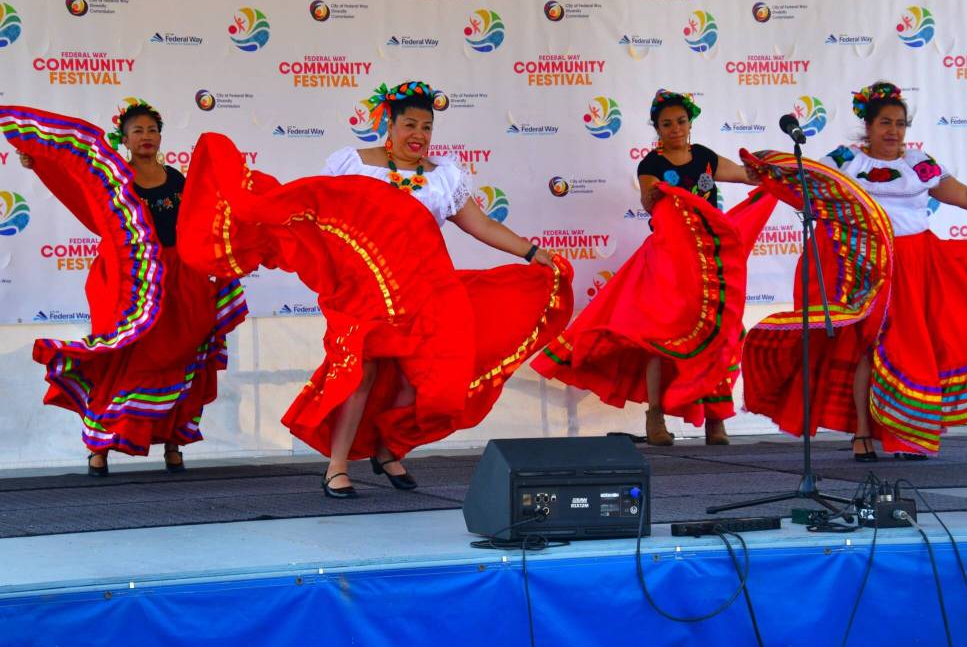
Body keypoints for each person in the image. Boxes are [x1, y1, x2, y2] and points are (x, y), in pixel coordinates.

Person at [176, 81, 573, 497]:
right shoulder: (354, 165)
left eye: (427, 127)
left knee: (412, 376)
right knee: (359, 371)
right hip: (360, 291)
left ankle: (387, 448)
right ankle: (337, 465)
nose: (419, 135)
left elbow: (482, 225)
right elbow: (321, 213)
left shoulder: (443, 179)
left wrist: (531, 252)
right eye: (410, 124)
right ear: (389, 123)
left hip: (422, 291)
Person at [743, 81, 967, 459]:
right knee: (867, 347)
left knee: (915, 346)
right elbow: (808, 185)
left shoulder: (919, 164)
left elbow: (965, 195)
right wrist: (767, 168)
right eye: (885, 123)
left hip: (917, 264)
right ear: (869, 127)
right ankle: (862, 432)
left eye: (900, 124)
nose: (894, 131)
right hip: (866, 266)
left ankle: (910, 433)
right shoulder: (846, 161)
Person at [3, 101, 246, 475]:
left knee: (179, 356)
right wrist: (39, 161)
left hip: (180, 280)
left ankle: (173, 444)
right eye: (138, 131)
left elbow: (203, 221)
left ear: (160, 136)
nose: (146, 137)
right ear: (125, 140)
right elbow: (75, 187)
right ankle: (100, 448)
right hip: (130, 282)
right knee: (123, 358)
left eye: (152, 130)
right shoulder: (114, 178)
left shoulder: (179, 179)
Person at [532, 89, 775, 446]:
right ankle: (655, 416)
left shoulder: (705, 157)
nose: (675, 128)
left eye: (680, 121)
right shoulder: (651, 164)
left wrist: (773, 173)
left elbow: (746, 176)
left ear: (690, 123)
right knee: (659, 336)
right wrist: (655, 196)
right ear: (656, 128)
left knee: (719, 332)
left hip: (708, 265)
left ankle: (715, 419)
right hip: (668, 260)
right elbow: (649, 202)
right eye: (666, 124)